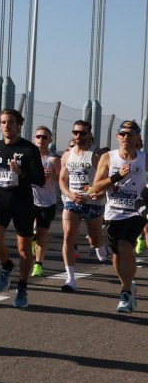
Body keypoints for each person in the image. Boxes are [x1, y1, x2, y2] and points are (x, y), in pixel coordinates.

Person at [0, 109, 45, 308]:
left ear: (18, 125)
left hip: (22, 202)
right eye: (4, 122)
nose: (7, 126)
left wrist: (21, 172)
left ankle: (22, 286)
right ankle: (6, 265)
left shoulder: (29, 149)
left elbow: (40, 179)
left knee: (24, 248)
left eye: (11, 122)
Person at [90, 120, 148, 313]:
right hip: (113, 212)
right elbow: (96, 186)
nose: (126, 138)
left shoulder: (144, 158)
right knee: (116, 254)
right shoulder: (108, 157)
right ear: (117, 137)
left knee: (125, 245)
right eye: (122, 134)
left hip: (137, 210)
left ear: (138, 138)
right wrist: (116, 177)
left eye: (130, 134)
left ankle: (126, 294)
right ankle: (128, 284)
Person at [58, 120, 107, 292]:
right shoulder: (67, 155)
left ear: (89, 135)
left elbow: (107, 179)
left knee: (94, 238)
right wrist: (69, 194)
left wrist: (100, 193)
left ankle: (99, 245)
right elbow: (62, 180)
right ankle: (70, 279)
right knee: (68, 235)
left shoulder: (97, 155)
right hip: (72, 201)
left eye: (82, 133)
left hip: (92, 201)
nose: (78, 136)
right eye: (75, 132)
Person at [30, 126, 61, 278]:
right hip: (29, 200)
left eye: (44, 137)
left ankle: (38, 265)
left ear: (49, 140)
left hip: (47, 202)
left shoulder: (53, 160)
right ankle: (32, 239)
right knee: (27, 232)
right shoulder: (28, 157)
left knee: (42, 233)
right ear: (34, 139)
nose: (41, 139)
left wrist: (52, 176)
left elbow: (63, 180)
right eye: (38, 137)